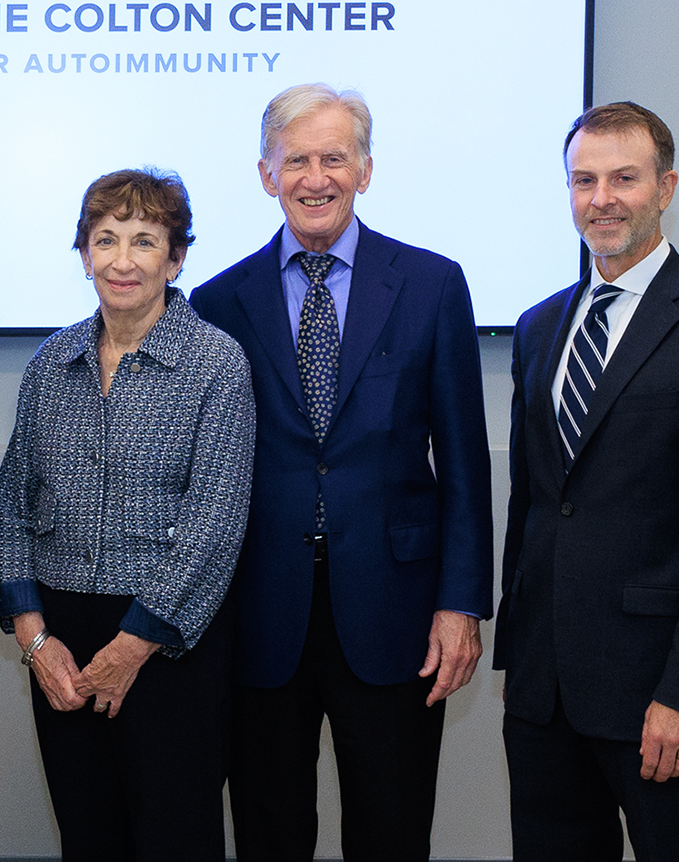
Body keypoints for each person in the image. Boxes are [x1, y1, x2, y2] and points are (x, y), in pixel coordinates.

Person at [190, 84, 491, 862]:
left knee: (391, 833)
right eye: (296, 160)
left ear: (365, 169)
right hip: (260, 613)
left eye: (333, 157)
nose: (314, 177)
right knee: (268, 832)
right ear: (266, 173)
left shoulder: (431, 285)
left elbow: (462, 461)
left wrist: (462, 603)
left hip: (395, 613)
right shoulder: (218, 300)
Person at [496, 101, 679, 861]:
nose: (602, 197)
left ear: (666, 187)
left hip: (659, 693)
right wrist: (518, 660)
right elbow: (536, 503)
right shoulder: (537, 324)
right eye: (584, 179)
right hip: (543, 691)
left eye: (625, 177)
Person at [0, 167, 255, 861]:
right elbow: (13, 505)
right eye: (104, 239)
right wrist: (32, 636)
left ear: (176, 258)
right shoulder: (53, 361)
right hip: (61, 644)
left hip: (170, 644)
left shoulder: (216, 363)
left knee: (175, 838)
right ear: (83, 255)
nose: (121, 259)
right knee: (89, 837)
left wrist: (133, 644)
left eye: (144, 240)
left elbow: (217, 519)